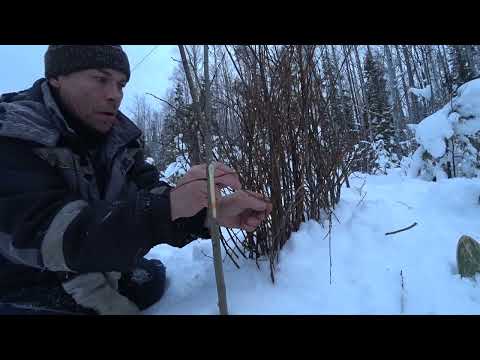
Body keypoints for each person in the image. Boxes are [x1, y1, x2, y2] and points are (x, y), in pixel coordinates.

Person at [0, 45, 272, 315]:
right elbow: (51, 234)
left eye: (121, 84)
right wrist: (168, 206)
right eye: (101, 79)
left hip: (90, 265)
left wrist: (211, 212)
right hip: (22, 279)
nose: (114, 95)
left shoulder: (119, 140)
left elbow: (150, 195)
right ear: (56, 77)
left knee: (151, 278)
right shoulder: (14, 133)